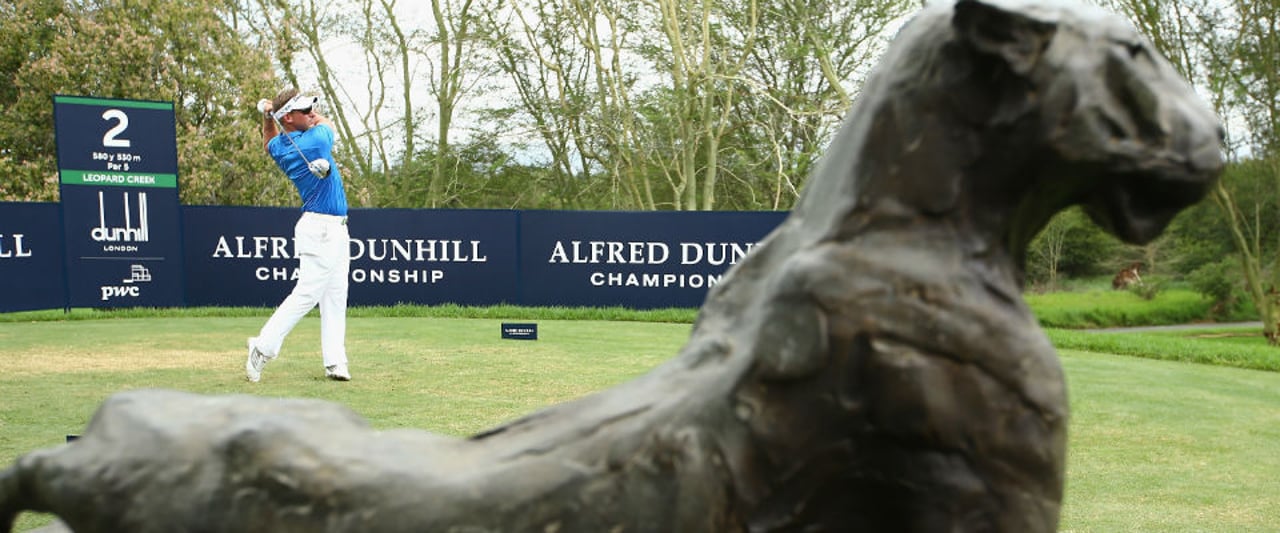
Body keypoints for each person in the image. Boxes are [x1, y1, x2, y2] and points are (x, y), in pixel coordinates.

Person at [246, 88, 351, 382]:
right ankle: (263, 346)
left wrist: (268, 117)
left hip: (334, 228)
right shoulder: (317, 141)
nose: (312, 114)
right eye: (305, 111)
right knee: (307, 293)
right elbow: (328, 124)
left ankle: (335, 362)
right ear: (289, 118)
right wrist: (274, 114)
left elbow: (268, 144)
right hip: (321, 228)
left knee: (335, 296)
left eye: (311, 110)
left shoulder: (281, 146)